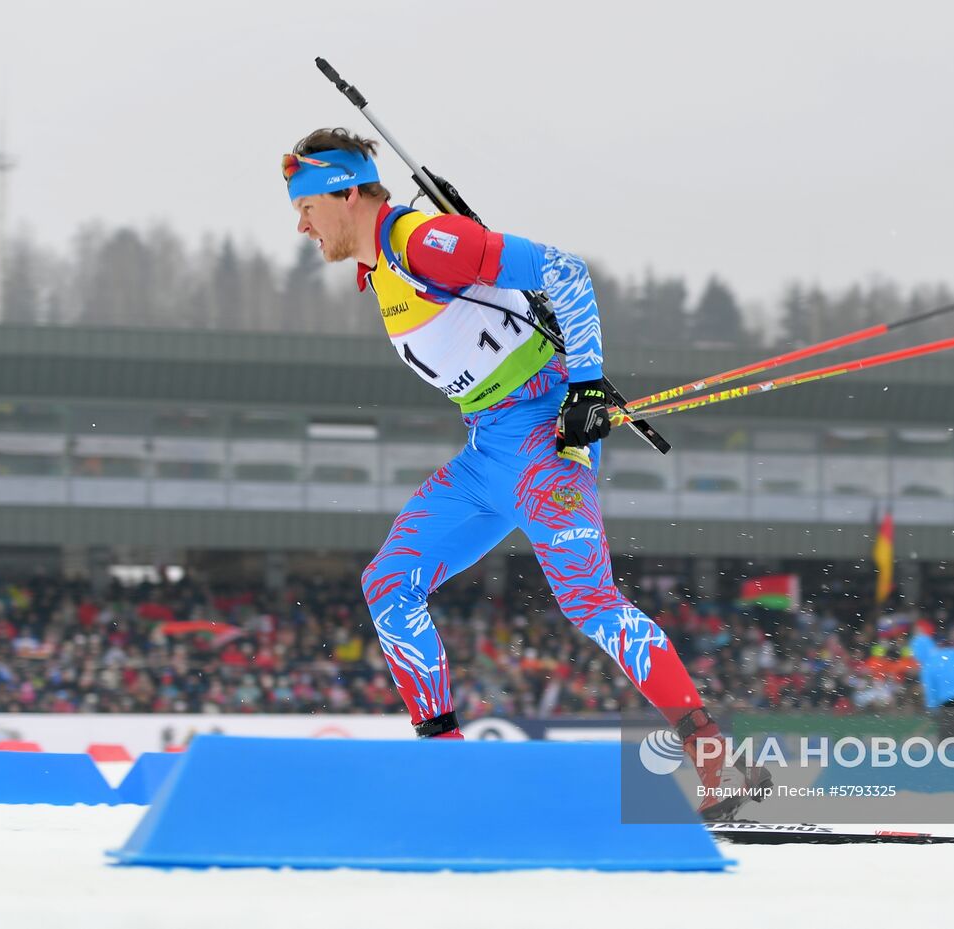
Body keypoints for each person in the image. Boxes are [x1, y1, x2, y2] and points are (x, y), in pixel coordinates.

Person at [281, 128, 768, 819]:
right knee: (389, 585)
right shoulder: (381, 267)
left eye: (306, 205)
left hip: (544, 440)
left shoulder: (416, 241)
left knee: (590, 604)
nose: (300, 224)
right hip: (488, 453)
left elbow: (564, 270)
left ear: (350, 193)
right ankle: (447, 770)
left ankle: (720, 762)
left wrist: (589, 387)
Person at [909, 620, 954, 741]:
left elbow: (931, 692)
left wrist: (933, 711)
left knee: (945, 739)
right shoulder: (948, 652)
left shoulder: (927, 667)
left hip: (948, 702)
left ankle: (953, 756)